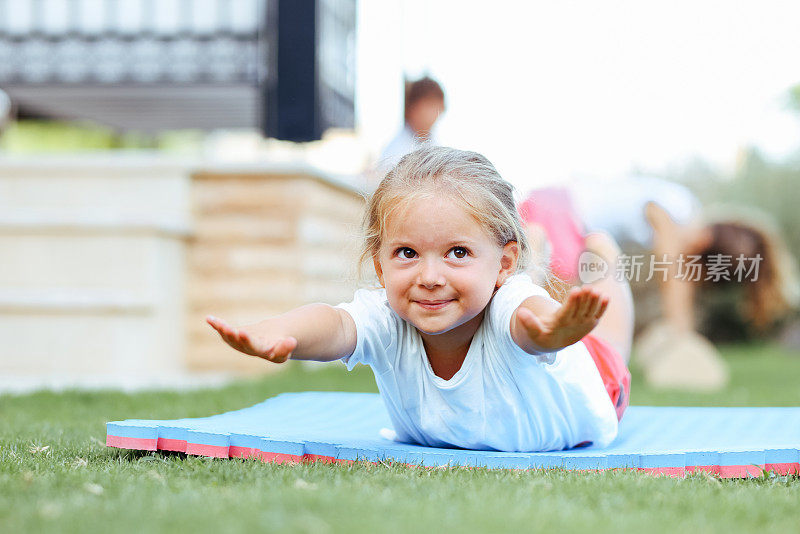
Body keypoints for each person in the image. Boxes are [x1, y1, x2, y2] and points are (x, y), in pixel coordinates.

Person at [206, 146, 633, 453]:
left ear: (504, 266)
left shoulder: (510, 303)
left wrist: (556, 331)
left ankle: (606, 264)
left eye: (457, 253)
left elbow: (531, 322)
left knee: (607, 335)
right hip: (543, 322)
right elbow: (335, 325)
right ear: (380, 265)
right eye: (407, 254)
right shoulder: (386, 315)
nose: (429, 278)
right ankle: (536, 253)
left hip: (590, 371)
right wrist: (277, 333)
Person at [519, 176, 799, 390]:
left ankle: (545, 370)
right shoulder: (679, 207)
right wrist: (682, 335)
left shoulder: (682, 217)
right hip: (559, 209)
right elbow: (673, 271)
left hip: (561, 213)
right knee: (557, 302)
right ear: (704, 241)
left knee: (561, 304)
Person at [377, 76, 446, 173]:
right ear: (412, 108)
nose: (433, 113)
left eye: (437, 107)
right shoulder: (395, 151)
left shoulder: (438, 147)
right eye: (428, 105)